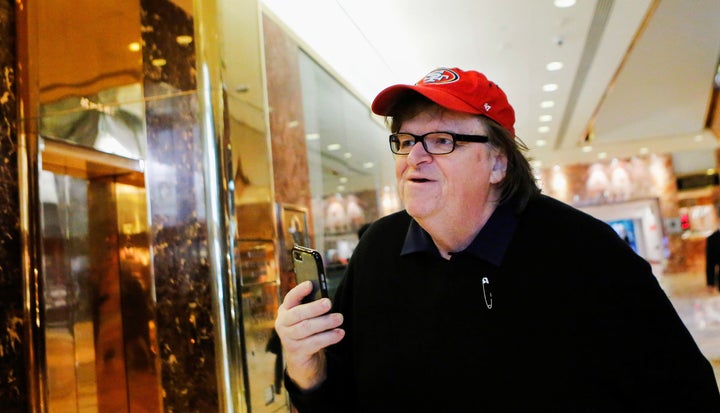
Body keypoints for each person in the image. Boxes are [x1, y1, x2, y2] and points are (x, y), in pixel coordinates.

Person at [274, 67, 720, 411]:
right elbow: (340, 401)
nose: (415, 157)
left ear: (497, 164)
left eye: (442, 140)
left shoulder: (585, 253)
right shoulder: (377, 251)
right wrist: (307, 371)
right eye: (406, 140)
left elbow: (686, 396)